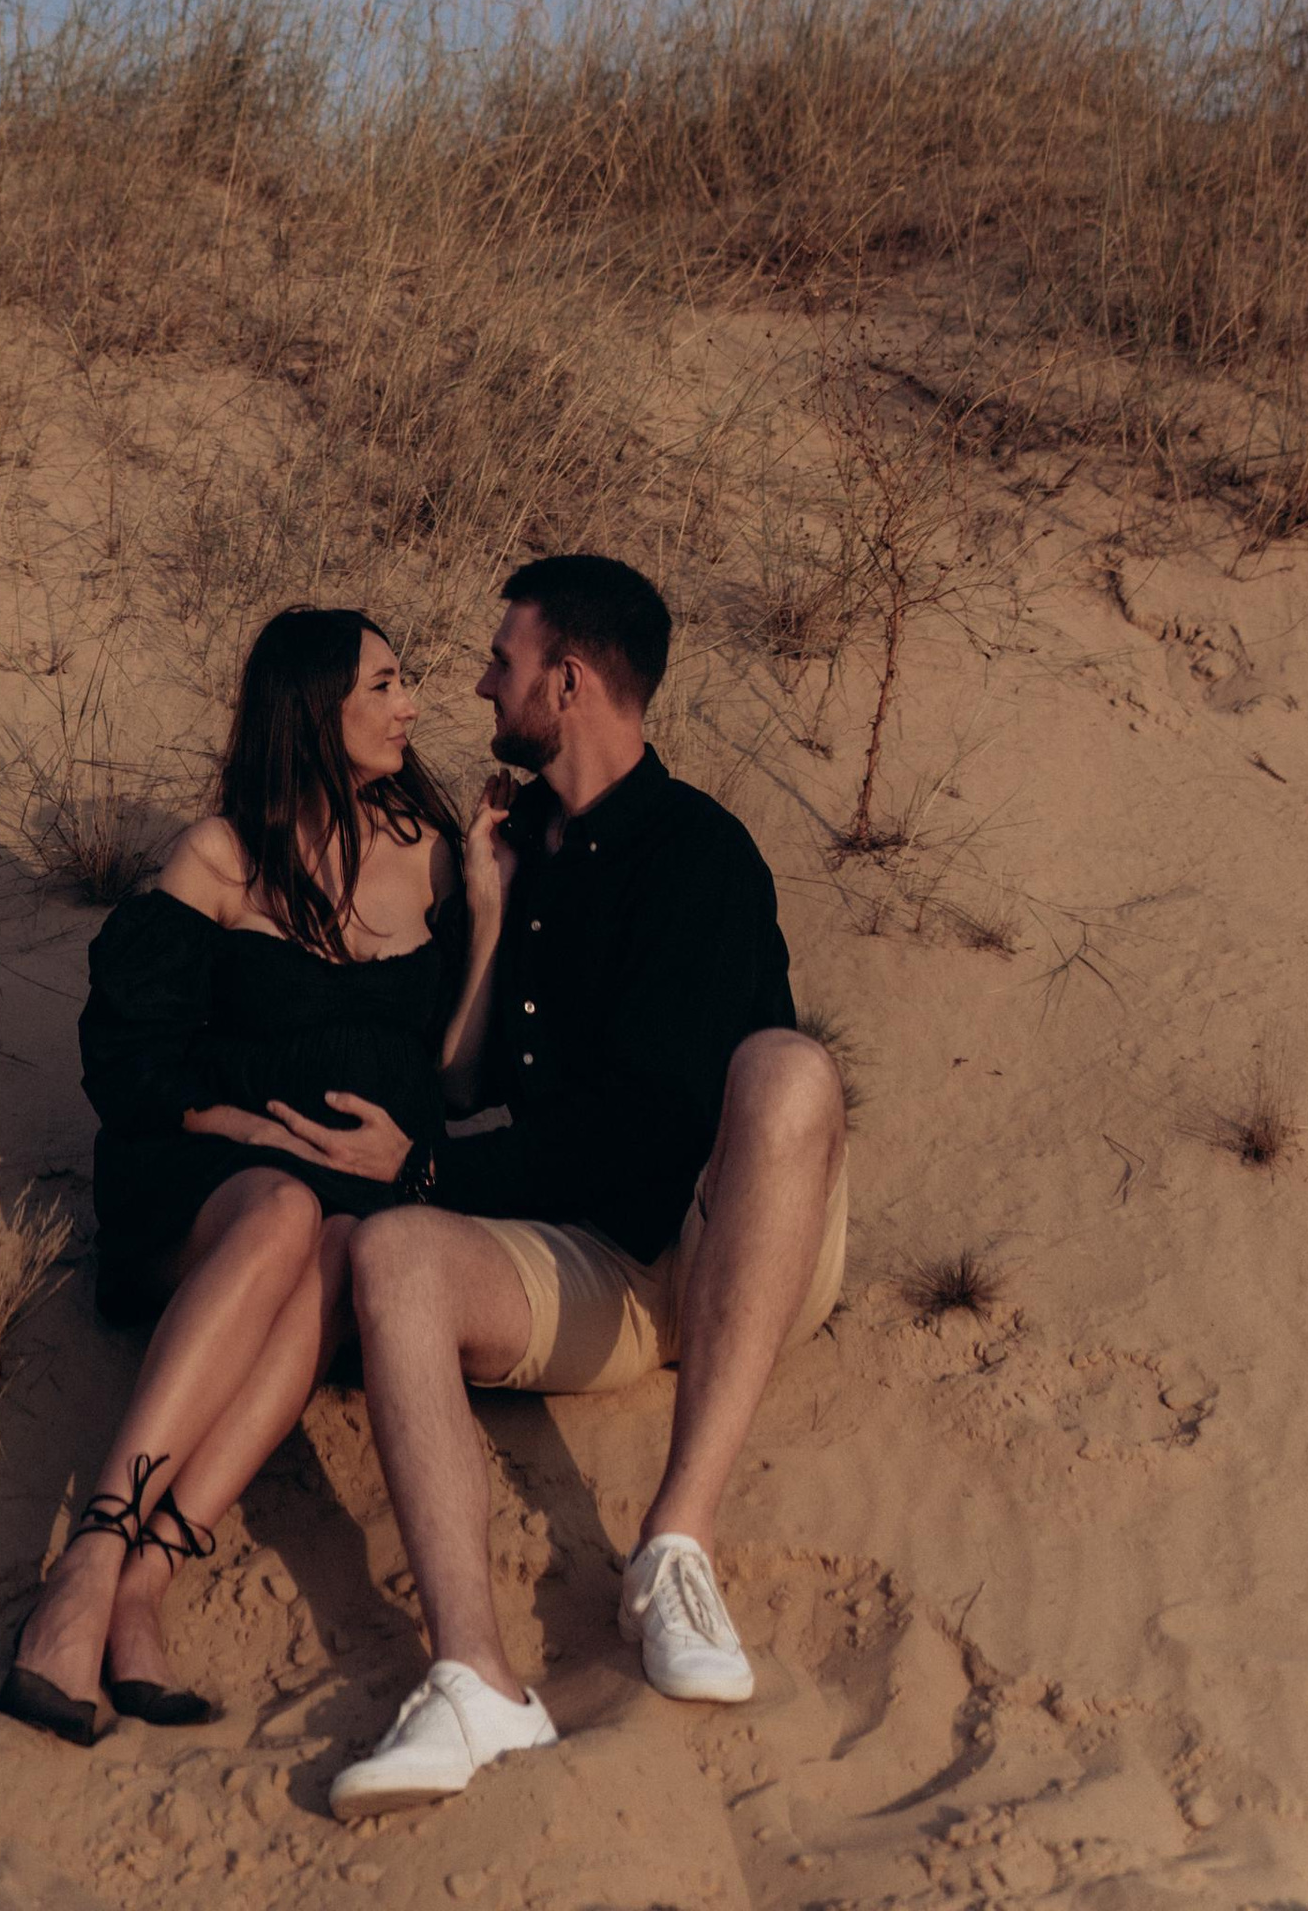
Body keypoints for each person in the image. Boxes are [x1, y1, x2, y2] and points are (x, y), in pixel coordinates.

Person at [328, 555, 848, 1823]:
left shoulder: (698, 853)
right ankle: (475, 1681)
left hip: (733, 1232)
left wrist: (433, 1167)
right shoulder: (514, 855)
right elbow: (458, 1090)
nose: (475, 683)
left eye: (499, 662)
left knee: (785, 1071)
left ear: (564, 683)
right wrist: (493, 916)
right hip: (601, 1266)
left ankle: (674, 1545)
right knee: (392, 1256)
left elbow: (652, 1124)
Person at [0, 607, 503, 1748]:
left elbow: (456, 1077)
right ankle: (90, 1557)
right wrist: (243, 1125)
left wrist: (490, 893)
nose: (410, 705)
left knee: (329, 1240)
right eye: (383, 684)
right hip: (200, 1180)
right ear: (312, 708)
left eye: (405, 680)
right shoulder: (222, 854)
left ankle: (145, 1586)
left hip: (353, 1195)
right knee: (283, 1205)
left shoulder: (428, 851)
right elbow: (127, 1058)